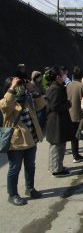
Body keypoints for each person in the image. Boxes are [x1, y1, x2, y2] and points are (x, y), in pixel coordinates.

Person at [0, 77, 43, 205]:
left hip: (31, 139)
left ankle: (30, 188)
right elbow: (6, 107)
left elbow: (41, 105)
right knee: (15, 168)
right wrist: (12, 88)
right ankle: (12, 194)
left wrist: (33, 90)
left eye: (20, 85)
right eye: (16, 86)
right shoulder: (5, 101)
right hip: (16, 142)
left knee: (30, 166)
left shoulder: (27, 98)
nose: (20, 87)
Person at [46, 67, 73, 177]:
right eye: (62, 75)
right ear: (58, 77)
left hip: (60, 120)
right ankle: (56, 169)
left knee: (60, 145)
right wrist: (68, 104)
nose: (64, 76)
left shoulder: (58, 87)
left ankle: (57, 166)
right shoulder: (55, 89)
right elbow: (54, 106)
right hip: (56, 121)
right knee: (57, 146)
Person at [66, 66, 83, 163]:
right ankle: (76, 155)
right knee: (77, 135)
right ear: (82, 75)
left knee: (73, 137)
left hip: (69, 113)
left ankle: (75, 155)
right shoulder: (82, 86)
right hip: (78, 114)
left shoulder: (68, 85)